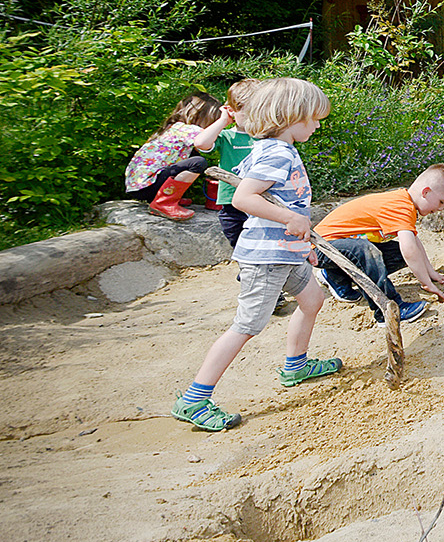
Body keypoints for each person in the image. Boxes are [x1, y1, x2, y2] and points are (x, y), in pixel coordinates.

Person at [172, 79, 338, 431]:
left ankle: (296, 365)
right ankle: (194, 399)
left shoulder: (270, 148)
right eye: (314, 119)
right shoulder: (277, 153)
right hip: (267, 256)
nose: (317, 126)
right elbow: (243, 198)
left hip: (287, 251)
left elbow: (280, 197)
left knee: (312, 300)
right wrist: (291, 219)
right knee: (246, 326)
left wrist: (303, 243)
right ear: (291, 117)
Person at [315, 164, 444, 322]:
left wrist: (431, 273)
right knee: (365, 250)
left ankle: (336, 277)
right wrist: (426, 283)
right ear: (426, 192)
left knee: (397, 254)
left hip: (338, 249)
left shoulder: (405, 204)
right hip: (321, 247)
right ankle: (388, 310)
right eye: (441, 202)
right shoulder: (400, 206)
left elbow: (414, 244)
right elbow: (410, 251)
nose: (442, 208)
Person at [126, 92, 232, 221]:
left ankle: (168, 196)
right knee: (198, 162)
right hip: (147, 186)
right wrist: (223, 121)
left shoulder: (174, 128)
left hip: (140, 185)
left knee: (193, 155)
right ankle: (164, 202)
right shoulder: (185, 129)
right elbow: (204, 141)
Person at [213, 80, 266, 248]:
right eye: (246, 113)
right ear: (232, 110)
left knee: (260, 243)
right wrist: (223, 120)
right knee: (238, 242)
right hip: (231, 201)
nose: (252, 119)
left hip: (261, 199)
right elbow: (201, 143)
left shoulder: (267, 138)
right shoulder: (227, 136)